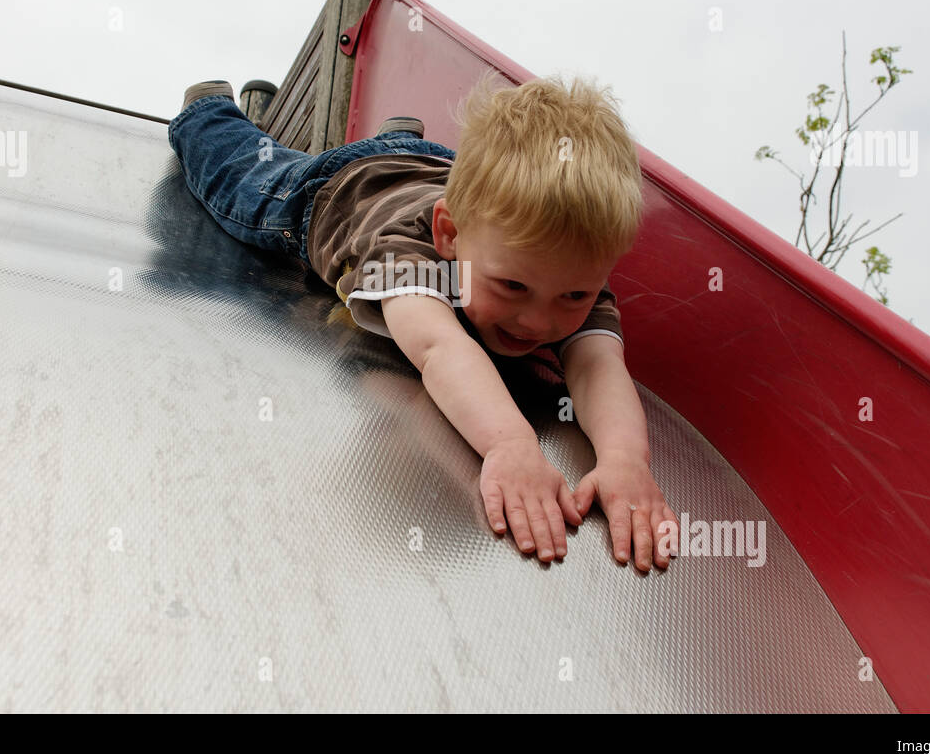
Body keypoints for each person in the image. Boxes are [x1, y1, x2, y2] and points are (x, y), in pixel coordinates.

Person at [167, 71, 678, 571]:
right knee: (245, 184)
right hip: (347, 187)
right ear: (449, 237)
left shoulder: (554, 254)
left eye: (575, 295)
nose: (540, 320)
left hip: (436, 166)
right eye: (513, 287)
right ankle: (208, 114)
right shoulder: (410, 252)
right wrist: (511, 444)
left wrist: (625, 460)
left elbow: (597, 366)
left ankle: (400, 139)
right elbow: (438, 346)